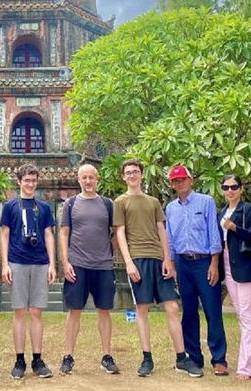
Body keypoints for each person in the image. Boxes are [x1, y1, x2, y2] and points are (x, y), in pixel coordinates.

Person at [114, 159, 199, 378]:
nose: (132, 175)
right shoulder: (120, 202)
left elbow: (162, 230)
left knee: (171, 307)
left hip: (159, 259)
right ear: (123, 177)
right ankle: (147, 358)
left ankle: (182, 358)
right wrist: (129, 262)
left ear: (142, 174)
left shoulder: (153, 202)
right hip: (138, 260)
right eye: (128, 173)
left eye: (135, 172)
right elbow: (120, 233)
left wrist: (167, 259)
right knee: (142, 310)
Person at [165, 165, 228, 377]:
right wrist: (172, 264)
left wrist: (214, 263)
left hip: (204, 262)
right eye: (175, 180)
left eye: (183, 179)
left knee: (212, 310)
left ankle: (219, 358)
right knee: (189, 312)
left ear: (191, 180)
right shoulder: (171, 208)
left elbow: (213, 233)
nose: (180, 183)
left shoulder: (206, 201)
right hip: (183, 264)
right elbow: (171, 238)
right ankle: (194, 356)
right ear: (172, 184)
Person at [58, 164, 120, 375]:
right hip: (77, 265)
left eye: (91, 177)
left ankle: (106, 355)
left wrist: (107, 251)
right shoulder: (70, 204)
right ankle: (68, 355)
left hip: (103, 266)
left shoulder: (107, 204)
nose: (88, 181)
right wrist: (65, 262)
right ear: (78, 180)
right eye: (84, 178)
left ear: (97, 179)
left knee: (104, 310)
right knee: (74, 310)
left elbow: (117, 233)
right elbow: (64, 233)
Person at [0, 164, 56, 379]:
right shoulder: (10, 206)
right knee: (19, 312)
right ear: (19, 182)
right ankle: (19, 359)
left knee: (36, 312)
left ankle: (37, 358)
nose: (30, 184)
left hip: (40, 262)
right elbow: (4, 235)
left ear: (37, 181)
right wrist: (5, 264)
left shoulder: (43, 207)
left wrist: (52, 263)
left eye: (33, 180)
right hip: (17, 261)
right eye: (26, 180)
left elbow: (49, 234)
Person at [217, 174, 251, 380]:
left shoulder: (247, 209)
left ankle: (246, 366)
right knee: (241, 314)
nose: (229, 190)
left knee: (246, 315)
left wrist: (234, 228)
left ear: (241, 188)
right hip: (228, 264)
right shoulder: (221, 212)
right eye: (226, 187)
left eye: (234, 186)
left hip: (246, 265)